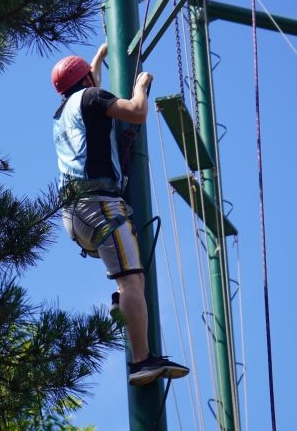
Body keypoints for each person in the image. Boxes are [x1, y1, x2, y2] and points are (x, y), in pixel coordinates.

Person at [51, 44, 189, 387]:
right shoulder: (93, 97)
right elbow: (137, 112)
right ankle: (141, 361)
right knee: (132, 279)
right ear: (86, 81)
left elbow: (91, 84)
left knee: (125, 275)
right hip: (99, 205)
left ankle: (120, 306)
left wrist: (98, 56)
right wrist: (141, 84)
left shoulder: (63, 112)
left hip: (76, 214)